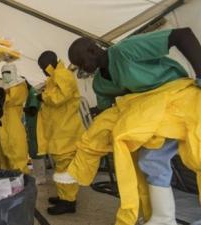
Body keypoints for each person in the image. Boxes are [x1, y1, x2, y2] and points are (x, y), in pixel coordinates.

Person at [68, 28, 201, 224]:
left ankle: (163, 218)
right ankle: (162, 218)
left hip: (179, 97)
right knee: (150, 159)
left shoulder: (126, 50)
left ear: (93, 50)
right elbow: (109, 111)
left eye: (82, 63)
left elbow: (182, 35)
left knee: (192, 154)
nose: (83, 69)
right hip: (149, 111)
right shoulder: (100, 83)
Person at [36, 51, 86, 215]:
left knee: (65, 166)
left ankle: (69, 202)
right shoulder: (55, 76)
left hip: (66, 132)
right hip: (60, 131)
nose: (43, 71)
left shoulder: (63, 75)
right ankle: (64, 196)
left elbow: (59, 98)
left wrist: (43, 97)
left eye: (43, 67)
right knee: (61, 165)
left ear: (48, 65)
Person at [0, 63, 29, 174]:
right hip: (2, 123)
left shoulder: (20, 85)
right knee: (3, 154)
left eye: (7, 73)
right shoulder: (2, 87)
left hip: (14, 123)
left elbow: (11, 99)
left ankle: (22, 181)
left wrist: (0, 96)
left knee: (17, 152)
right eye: (3, 73)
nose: (5, 75)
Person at [23, 80, 46, 185]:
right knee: (33, 151)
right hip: (32, 126)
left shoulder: (32, 93)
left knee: (36, 151)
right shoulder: (29, 93)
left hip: (36, 126)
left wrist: (20, 108)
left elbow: (32, 110)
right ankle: (39, 175)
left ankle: (41, 176)